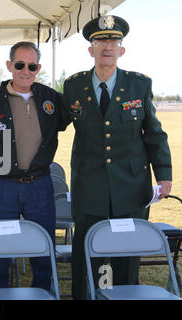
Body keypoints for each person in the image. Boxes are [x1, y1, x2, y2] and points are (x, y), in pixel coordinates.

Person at [61, 15, 172, 300]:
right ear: (91, 50)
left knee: (125, 255)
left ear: (121, 50)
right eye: (100, 41)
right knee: (89, 256)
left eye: (113, 41)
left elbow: (154, 134)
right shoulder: (74, 86)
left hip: (130, 187)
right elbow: (52, 123)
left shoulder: (139, 85)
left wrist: (164, 175)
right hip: (89, 186)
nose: (107, 47)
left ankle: (121, 296)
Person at [0, 41, 63, 290]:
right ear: (9, 66)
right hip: (4, 187)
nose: (25, 70)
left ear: (38, 68)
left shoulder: (51, 98)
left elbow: (82, 120)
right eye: (20, 64)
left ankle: (44, 292)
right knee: (1, 248)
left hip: (40, 185)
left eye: (31, 65)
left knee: (43, 247)